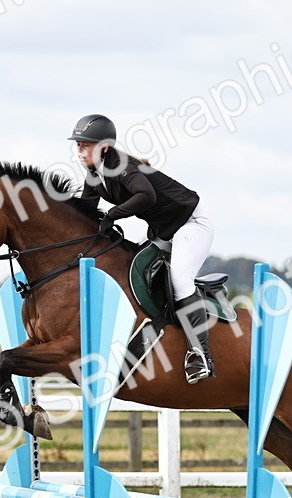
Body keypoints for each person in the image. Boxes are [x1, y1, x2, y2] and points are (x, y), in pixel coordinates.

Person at [67, 113, 216, 384]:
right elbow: (86, 212)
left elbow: (147, 196)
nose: (79, 149)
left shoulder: (122, 166)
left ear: (104, 147)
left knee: (180, 280)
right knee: (137, 271)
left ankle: (201, 354)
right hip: (164, 231)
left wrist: (112, 214)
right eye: (77, 144)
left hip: (191, 224)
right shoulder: (94, 174)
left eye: (85, 144)